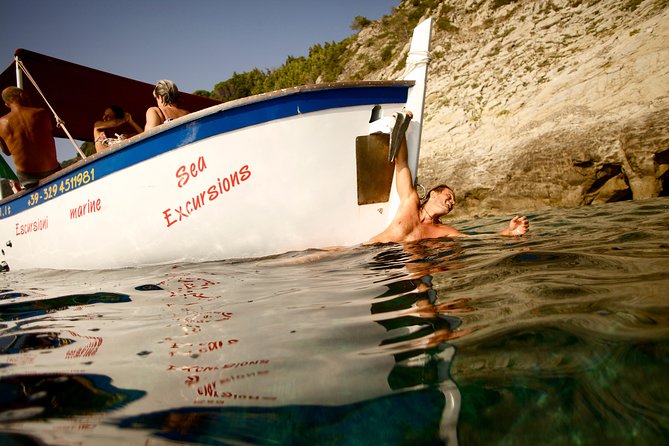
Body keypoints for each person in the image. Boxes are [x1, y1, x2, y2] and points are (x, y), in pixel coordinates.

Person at [367, 111, 529, 244]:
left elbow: (474, 239)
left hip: (399, 267)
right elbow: (401, 164)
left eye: (454, 201)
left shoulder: (444, 231)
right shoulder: (409, 204)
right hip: (372, 254)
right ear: (433, 194)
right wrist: (402, 127)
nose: (453, 202)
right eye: (449, 196)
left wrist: (508, 232)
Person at [0, 86, 60, 189]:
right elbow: (47, 137)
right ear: (22, 95)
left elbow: (7, 152)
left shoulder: (1, 124)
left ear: (6, 104)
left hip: (27, 176)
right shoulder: (41, 113)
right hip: (52, 168)